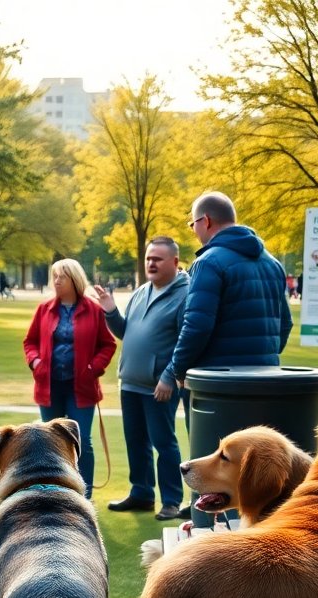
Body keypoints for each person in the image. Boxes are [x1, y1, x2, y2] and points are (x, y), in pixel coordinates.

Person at [167, 191, 293, 528]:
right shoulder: (272, 263)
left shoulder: (209, 262)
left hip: (216, 386)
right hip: (266, 381)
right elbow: (285, 324)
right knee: (249, 475)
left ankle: (208, 536)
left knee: (212, 468)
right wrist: (263, 358)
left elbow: (196, 325)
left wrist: (177, 370)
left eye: (193, 224)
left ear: (205, 221)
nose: (194, 230)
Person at [92, 236, 189, 521]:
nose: (151, 263)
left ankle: (171, 499)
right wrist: (110, 310)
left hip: (160, 386)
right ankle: (142, 493)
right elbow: (126, 332)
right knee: (136, 441)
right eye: (149, 258)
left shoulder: (185, 295)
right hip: (131, 382)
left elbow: (186, 342)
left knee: (163, 442)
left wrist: (169, 377)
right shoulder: (140, 292)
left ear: (174, 262)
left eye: (158, 259)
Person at [23, 258, 117, 498]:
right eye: (54, 276)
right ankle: (53, 495)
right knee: (50, 442)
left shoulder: (93, 310)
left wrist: (93, 368)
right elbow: (30, 341)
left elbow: (107, 344)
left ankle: (84, 498)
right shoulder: (44, 309)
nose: (56, 281)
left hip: (81, 388)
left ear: (74, 279)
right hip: (49, 387)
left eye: (61, 277)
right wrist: (35, 361)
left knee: (81, 442)